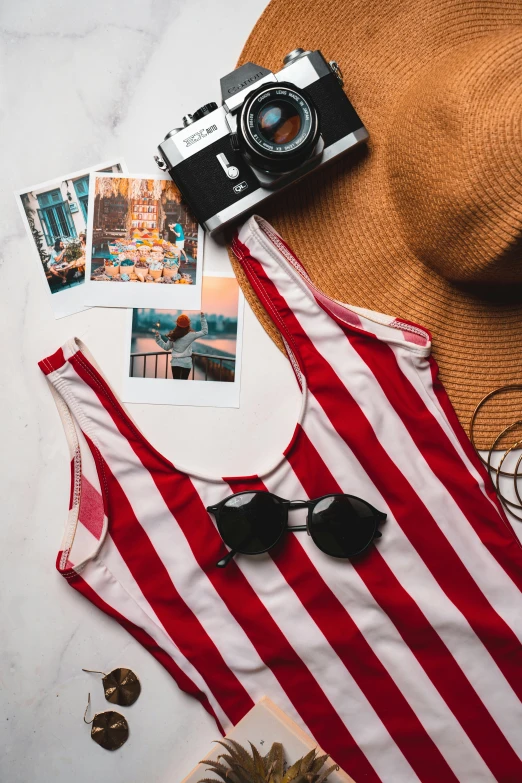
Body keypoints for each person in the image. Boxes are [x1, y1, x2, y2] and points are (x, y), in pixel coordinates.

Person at [153, 312, 208, 379]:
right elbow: (205, 331)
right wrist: (202, 317)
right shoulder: (191, 335)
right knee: (184, 384)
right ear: (188, 324)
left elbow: (166, 347)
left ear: (177, 324)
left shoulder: (173, 335)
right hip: (186, 363)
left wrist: (158, 338)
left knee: (176, 384)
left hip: (175, 363)